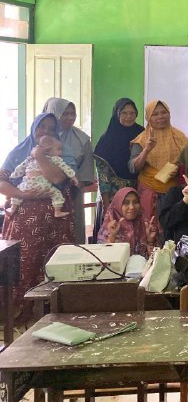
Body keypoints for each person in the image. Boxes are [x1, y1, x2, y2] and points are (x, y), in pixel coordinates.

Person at [0, 113, 74, 318]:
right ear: (34, 128)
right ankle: (17, 312)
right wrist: (23, 194)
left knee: (54, 263)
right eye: (42, 127)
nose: (46, 132)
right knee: (23, 264)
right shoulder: (18, 152)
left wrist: (41, 156)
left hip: (55, 223)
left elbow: (58, 178)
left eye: (52, 128)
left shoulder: (62, 152)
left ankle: (53, 313)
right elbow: (2, 182)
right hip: (23, 222)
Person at [43, 97, 95, 242]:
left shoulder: (82, 139)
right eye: (65, 113)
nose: (70, 117)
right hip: (41, 194)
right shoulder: (39, 136)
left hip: (72, 194)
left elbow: (86, 171)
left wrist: (72, 187)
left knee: (72, 234)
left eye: (73, 113)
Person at [129, 100, 188, 222]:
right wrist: (146, 150)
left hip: (175, 193)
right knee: (149, 228)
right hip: (149, 192)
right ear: (148, 118)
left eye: (163, 112)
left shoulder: (180, 137)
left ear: (169, 114)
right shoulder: (142, 139)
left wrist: (178, 169)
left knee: (172, 226)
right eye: (155, 114)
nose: (160, 116)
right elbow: (133, 168)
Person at [93, 98, 144, 239]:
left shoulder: (142, 133)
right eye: (124, 113)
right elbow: (103, 177)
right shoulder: (107, 139)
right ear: (117, 114)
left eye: (132, 113)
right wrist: (107, 206)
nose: (129, 116)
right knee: (114, 232)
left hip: (138, 192)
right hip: (113, 195)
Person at [9, 135, 78, 217]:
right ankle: (57, 211)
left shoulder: (30, 159)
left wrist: (13, 176)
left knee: (17, 193)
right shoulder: (55, 159)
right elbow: (66, 168)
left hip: (27, 184)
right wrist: (73, 177)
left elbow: (20, 168)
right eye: (58, 149)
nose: (61, 153)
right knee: (57, 193)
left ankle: (13, 207)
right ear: (48, 150)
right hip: (43, 185)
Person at [96, 187, 158, 256]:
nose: (132, 207)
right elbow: (101, 258)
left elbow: (154, 260)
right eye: (126, 203)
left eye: (135, 202)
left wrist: (151, 241)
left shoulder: (144, 225)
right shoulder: (109, 227)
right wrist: (112, 236)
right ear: (117, 205)